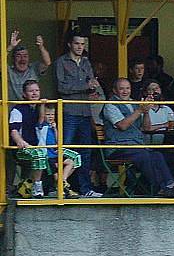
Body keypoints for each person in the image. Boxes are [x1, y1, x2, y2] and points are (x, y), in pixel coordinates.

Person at [102, 78, 174, 197]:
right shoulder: (110, 105)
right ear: (115, 91)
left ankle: (150, 186)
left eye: (127, 88)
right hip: (118, 148)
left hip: (137, 147)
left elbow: (146, 127)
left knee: (173, 159)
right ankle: (163, 186)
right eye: (121, 89)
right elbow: (122, 125)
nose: (125, 91)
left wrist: (146, 112)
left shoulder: (134, 104)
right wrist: (140, 110)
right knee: (146, 156)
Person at [9, 80, 80, 198]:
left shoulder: (41, 108)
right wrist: (20, 141)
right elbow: (14, 131)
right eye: (31, 91)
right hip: (24, 149)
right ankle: (37, 188)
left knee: (75, 156)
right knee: (39, 154)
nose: (34, 93)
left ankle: (61, 184)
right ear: (24, 94)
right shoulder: (17, 110)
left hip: (46, 147)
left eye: (37, 90)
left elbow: (47, 122)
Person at [54, 30, 102, 197]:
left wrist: (89, 88)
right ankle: (58, 186)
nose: (80, 47)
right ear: (70, 44)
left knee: (86, 151)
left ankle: (85, 189)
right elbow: (62, 88)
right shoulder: (61, 62)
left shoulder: (86, 62)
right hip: (69, 112)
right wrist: (85, 86)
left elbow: (92, 84)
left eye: (82, 44)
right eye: (77, 43)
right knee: (64, 150)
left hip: (85, 112)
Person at [7, 30, 51, 101]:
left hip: (31, 108)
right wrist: (10, 47)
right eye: (18, 56)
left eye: (25, 56)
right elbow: (1, 62)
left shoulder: (34, 69)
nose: (22, 59)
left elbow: (47, 63)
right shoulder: (9, 71)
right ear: (13, 59)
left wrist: (41, 47)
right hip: (13, 110)